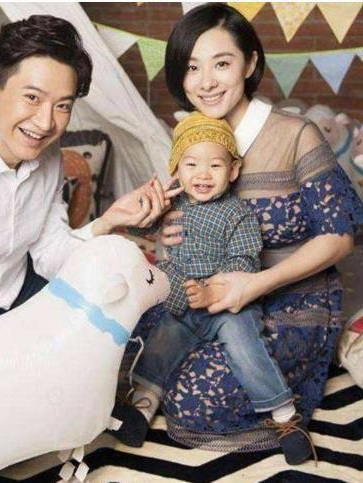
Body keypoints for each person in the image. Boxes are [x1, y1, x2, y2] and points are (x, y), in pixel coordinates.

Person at [118, 2, 363, 463]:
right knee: (134, 351)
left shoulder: (297, 134)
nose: (206, 82)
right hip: (203, 296)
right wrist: (164, 232)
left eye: (221, 64)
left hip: (289, 297)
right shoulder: (191, 139)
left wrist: (256, 283)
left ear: (249, 64)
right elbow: (182, 224)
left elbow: (340, 235)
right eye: (192, 67)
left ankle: (286, 417)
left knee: (196, 397)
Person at [0, 15, 179, 368]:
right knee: (18, 392)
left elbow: (50, 254)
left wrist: (109, 220)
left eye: (63, 106)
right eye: (32, 97)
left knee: (125, 316)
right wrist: (25, 361)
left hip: (22, 297)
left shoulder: (47, 155)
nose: (45, 123)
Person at [113, 111, 315, 464]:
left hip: (227, 303)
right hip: (181, 302)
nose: (203, 174)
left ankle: (285, 417)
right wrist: (146, 210)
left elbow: (245, 261)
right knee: (161, 342)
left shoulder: (237, 213)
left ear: (233, 171)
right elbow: (142, 229)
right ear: (176, 169)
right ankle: (143, 405)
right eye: (191, 164)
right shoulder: (173, 204)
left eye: (215, 166)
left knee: (246, 346)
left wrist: (211, 291)